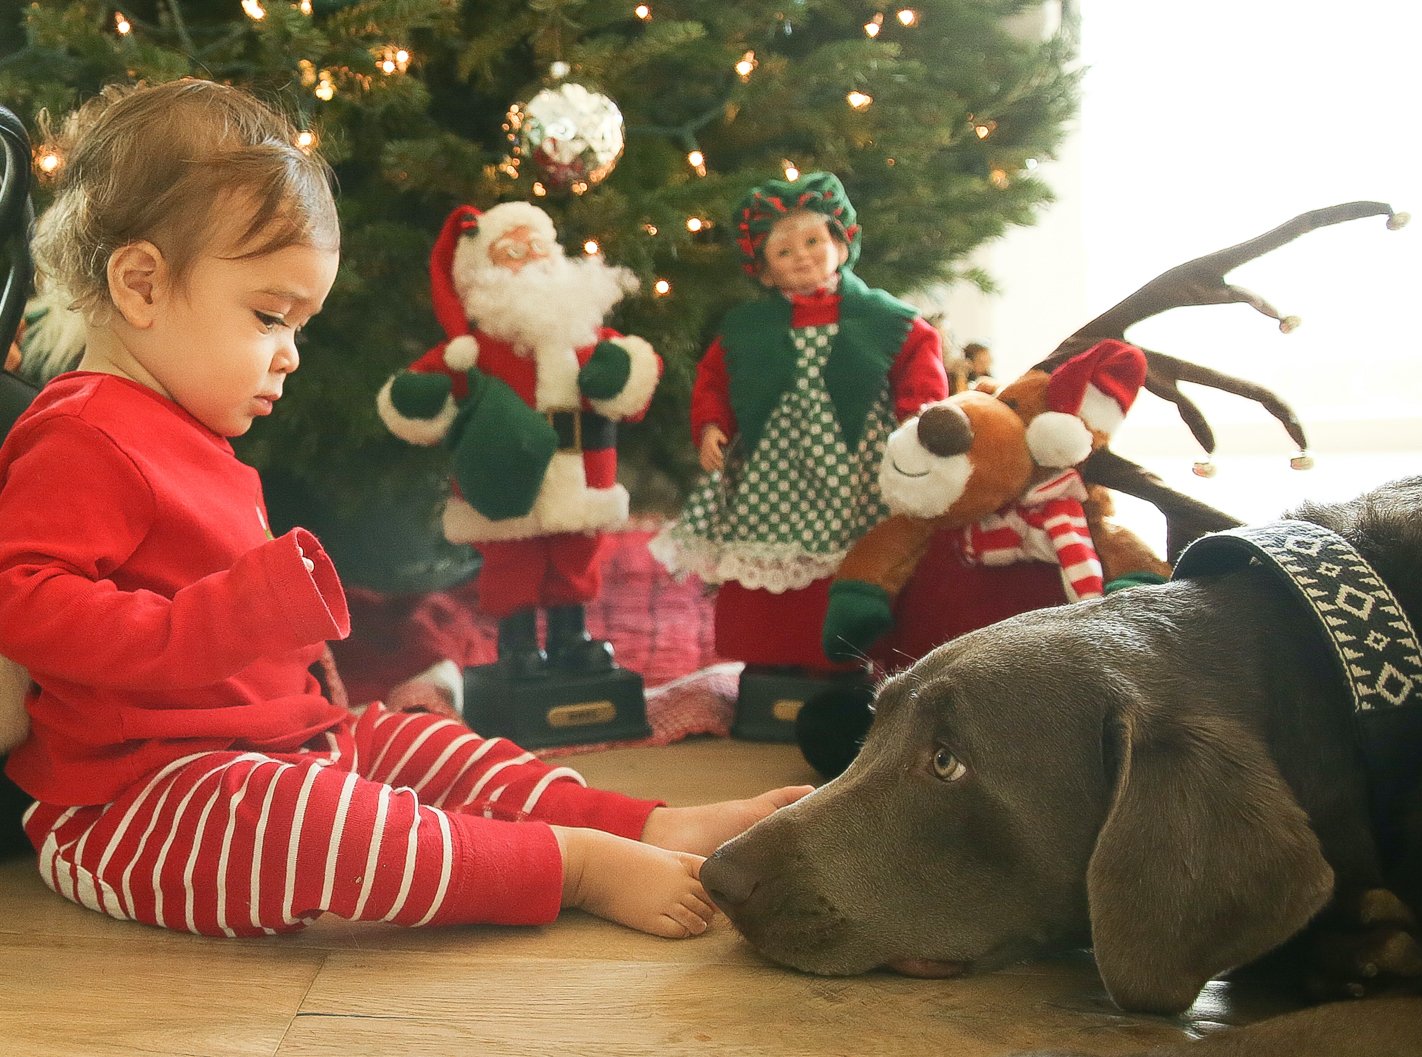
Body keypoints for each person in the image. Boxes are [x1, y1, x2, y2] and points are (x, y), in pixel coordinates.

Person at [0, 78, 807, 939]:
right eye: (272, 316)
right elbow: (24, 598)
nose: (292, 355)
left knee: (410, 740)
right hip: (131, 806)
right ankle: (565, 865)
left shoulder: (189, 435)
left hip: (276, 745)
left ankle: (636, 822)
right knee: (307, 822)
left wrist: (307, 680)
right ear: (140, 285)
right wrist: (212, 624)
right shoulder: (81, 432)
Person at [650, 172, 948, 675]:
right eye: (784, 251)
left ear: (840, 242)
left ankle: (850, 656)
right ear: (764, 272)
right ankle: (773, 659)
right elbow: (714, 379)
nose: (804, 256)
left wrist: (918, 423)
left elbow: (920, 363)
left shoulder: (884, 318)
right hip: (775, 467)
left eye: (814, 241)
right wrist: (711, 426)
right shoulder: (748, 328)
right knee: (769, 551)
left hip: (859, 466)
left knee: (858, 553)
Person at [377, 203, 661, 680]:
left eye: (537, 247)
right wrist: (415, 399)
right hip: (506, 482)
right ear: (482, 274)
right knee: (513, 566)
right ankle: (518, 646)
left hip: (582, 476)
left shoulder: (585, 336)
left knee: (576, 558)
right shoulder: (474, 352)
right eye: (512, 251)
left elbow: (631, 390)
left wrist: (620, 374)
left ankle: (572, 638)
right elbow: (425, 394)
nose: (530, 259)